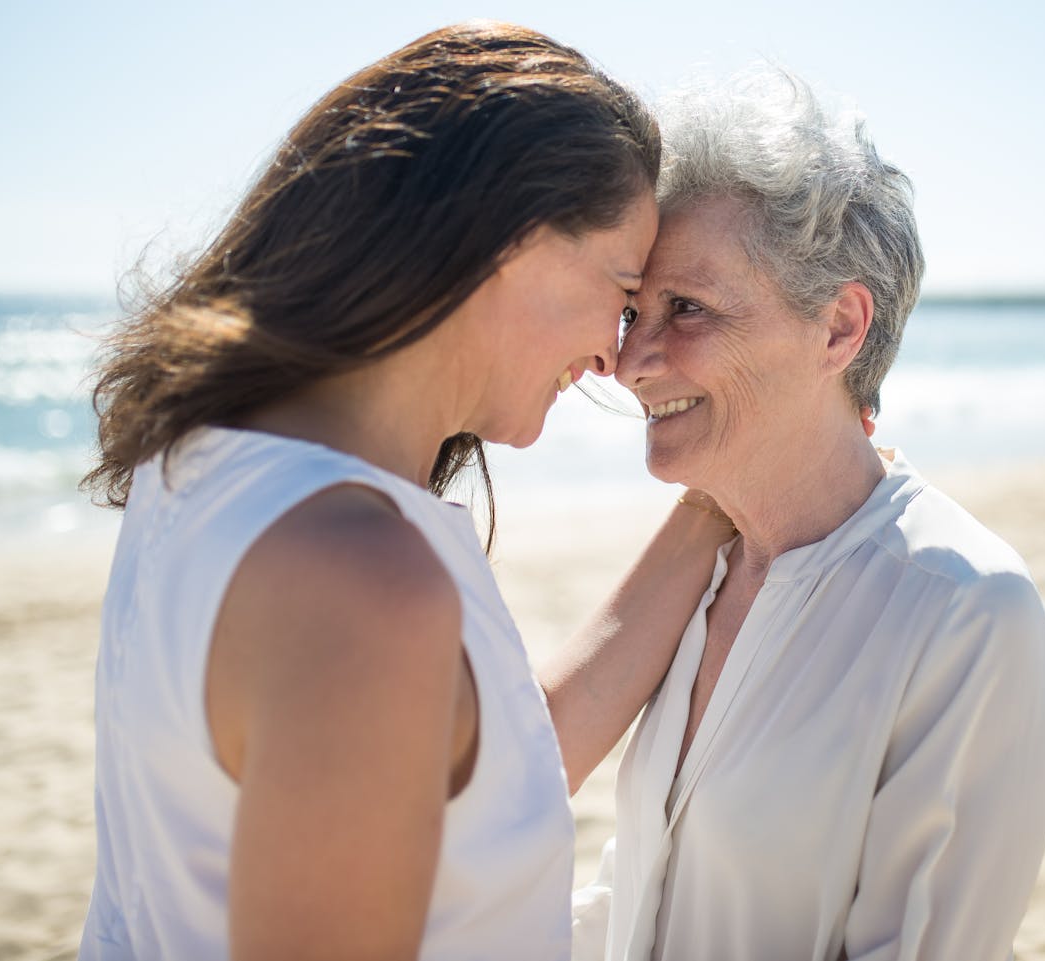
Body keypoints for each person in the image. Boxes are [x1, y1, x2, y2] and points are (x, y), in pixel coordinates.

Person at [78, 23, 735, 961]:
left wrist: (720, 493)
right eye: (622, 291)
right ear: (506, 238)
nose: (615, 353)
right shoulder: (357, 576)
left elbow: (478, 774)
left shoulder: (207, 464)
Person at [571, 69, 1045, 961]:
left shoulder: (967, 614)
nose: (632, 360)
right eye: (630, 311)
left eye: (686, 308)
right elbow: (642, 892)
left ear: (839, 328)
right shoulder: (702, 573)